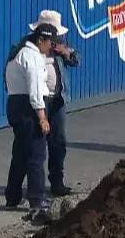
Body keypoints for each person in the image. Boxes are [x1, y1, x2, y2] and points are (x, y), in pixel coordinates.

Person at [6, 10, 79, 197]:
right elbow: (19, 73)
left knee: (58, 142)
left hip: (57, 97)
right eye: (52, 37)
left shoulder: (58, 47)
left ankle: (56, 182)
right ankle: (33, 196)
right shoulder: (28, 49)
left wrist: (65, 53)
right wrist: (40, 115)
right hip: (37, 100)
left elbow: (75, 60)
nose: (55, 41)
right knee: (34, 151)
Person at [4, 21, 59, 221]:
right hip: (28, 107)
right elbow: (35, 89)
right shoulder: (33, 57)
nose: (51, 48)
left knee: (20, 153)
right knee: (36, 154)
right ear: (41, 40)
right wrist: (42, 117)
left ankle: (12, 196)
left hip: (15, 103)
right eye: (50, 43)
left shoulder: (18, 52)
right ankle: (37, 199)